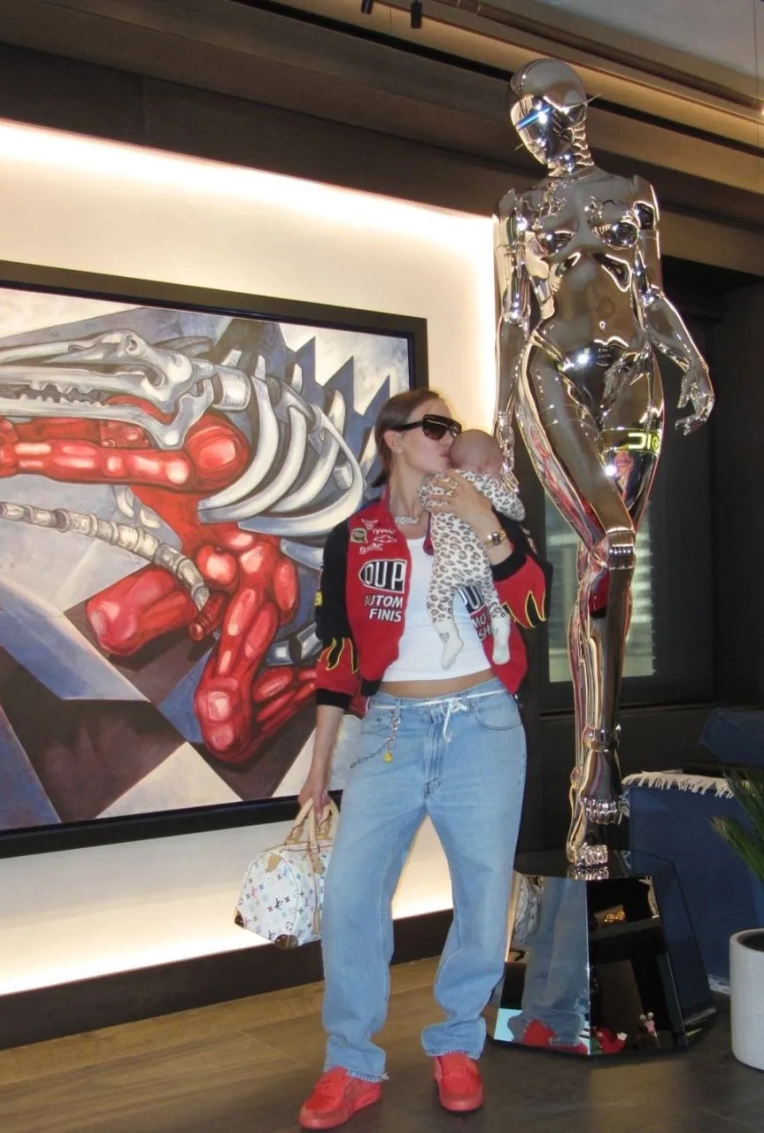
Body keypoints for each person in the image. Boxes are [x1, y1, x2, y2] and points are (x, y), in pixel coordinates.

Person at [296, 389, 549, 1130]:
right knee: (351, 894)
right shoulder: (354, 537)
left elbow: (534, 606)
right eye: (435, 427)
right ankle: (350, 1061)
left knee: (483, 892)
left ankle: (458, 1042)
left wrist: (482, 519)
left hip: (483, 722)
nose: (449, 437)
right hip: (391, 731)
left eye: (451, 426)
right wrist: (319, 765)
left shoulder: (480, 513)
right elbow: (337, 656)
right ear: (394, 439)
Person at [494, 58, 714, 869]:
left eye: (539, 115)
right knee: (614, 545)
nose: (532, 133)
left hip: (634, 375)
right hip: (553, 369)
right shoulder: (519, 208)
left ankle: (598, 767)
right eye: (521, 122)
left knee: (611, 560)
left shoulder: (635, 193)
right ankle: (598, 759)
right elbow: (514, 312)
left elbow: (651, 297)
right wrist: (502, 408)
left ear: (572, 107)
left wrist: (693, 365)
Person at [419, 429, 525, 669]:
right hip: (481, 562)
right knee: (495, 601)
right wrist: (502, 497)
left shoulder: (438, 483)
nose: (498, 474)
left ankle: (450, 639)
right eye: (498, 468)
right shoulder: (486, 483)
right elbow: (516, 510)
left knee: (436, 601)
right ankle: (501, 638)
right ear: (485, 466)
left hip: (447, 566)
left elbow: (423, 499)